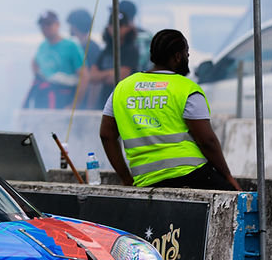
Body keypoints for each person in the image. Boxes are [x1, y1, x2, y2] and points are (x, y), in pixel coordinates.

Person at [99, 29, 241, 191]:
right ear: (178, 56)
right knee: (235, 200)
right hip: (190, 172)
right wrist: (228, 176)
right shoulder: (186, 88)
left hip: (146, 179)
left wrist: (126, 179)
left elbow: (106, 135)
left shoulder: (122, 88)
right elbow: (207, 142)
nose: (188, 58)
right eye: (187, 53)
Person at [24, 10, 85, 109]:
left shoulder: (71, 46)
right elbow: (35, 62)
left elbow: (84, 76)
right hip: (44, 99)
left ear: (57, 24)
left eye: (48, 24)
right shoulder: (42, 46)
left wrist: (74, 104)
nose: (45, 28)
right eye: (42, 26)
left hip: (64, 98)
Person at [90, 11, 141, 107]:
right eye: (112, 25)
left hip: (124, 102)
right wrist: (108, 75)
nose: (115, 29)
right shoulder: (105, 51)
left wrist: (102, 76)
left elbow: (121, 76)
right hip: (104, 101)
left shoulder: (131, 50)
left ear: (127, 28)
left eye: (120, 26)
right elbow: (92, 77)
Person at [66, 9, 102, 109]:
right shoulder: (74, 46)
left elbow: (95, 82)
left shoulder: (92, 48)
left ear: (75, 27)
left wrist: (90, 107)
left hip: (84, 103)